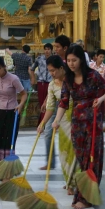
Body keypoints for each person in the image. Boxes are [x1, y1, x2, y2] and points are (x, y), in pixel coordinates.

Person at [52, 45, 105, 209]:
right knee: (81, 159)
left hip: (93, 121)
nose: (71, 64)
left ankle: (86, 197)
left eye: (74, 60)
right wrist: (56, 120)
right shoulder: (68, 79)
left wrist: (100, 100)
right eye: (69, 61)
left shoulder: (92, 76)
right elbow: (64, 101)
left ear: (81, 60)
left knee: (92, 157)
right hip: (77, 123)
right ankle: (87, 192)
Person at [38, 55, 75, 190]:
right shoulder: (52, 85)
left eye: (53, 70)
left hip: (77, 117)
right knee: (64, 152)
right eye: (49, 71)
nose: (51, 74)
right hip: (63, 119)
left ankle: (76, 181)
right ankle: (69, 181)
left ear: (61, 68)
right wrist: (42, 123)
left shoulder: (72, 79)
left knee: (75, 151)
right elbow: (50, 107)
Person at [0, 55, 28, 167]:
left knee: (9, 139)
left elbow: (24, 94)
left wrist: (20, 105)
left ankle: (8, 166)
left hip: (12, 111)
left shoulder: (13, 78)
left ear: (4, 67)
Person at [30, 43, 53, 124]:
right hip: (41, 83)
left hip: (51, 83)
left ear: (51, 50)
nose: (47, 51)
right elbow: (32, 69)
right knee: (42, 102)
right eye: (45, 49)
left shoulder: (54, 59)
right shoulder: (39, 58)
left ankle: (46, 122)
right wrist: (33, 78)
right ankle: (42, 122)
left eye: (48, 49)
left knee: (49, 103)